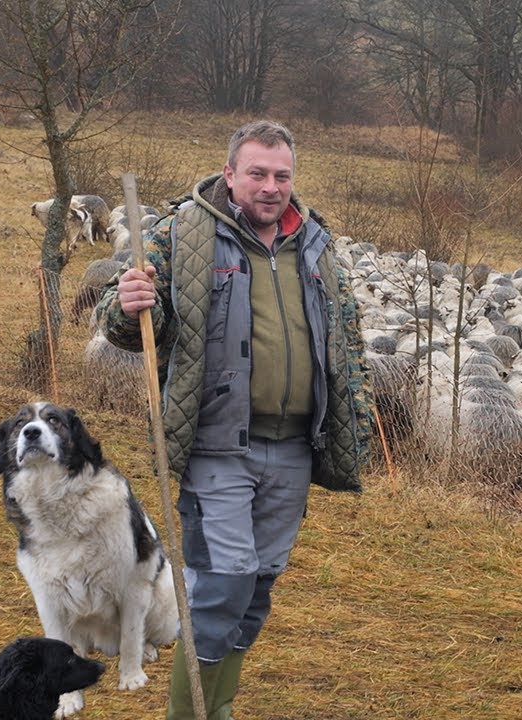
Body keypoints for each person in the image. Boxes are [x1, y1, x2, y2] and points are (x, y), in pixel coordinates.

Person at [95, 120, 374, 719]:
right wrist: (127, 304)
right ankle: (189, 715)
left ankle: (214, 708)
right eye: (257, 173)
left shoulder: (316, 245)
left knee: (256, 591)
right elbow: (123, 324)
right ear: (230, 175)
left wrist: (355, 422)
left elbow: (344, 341)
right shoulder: (185, 234)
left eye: (281, 175)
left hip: (296, 447)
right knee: (222, 585)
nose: (270, 187)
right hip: (218, 445)